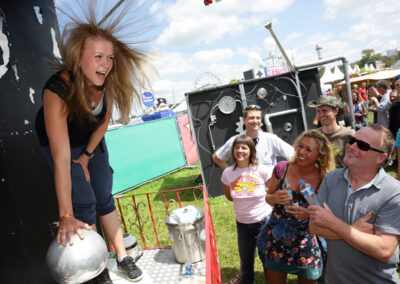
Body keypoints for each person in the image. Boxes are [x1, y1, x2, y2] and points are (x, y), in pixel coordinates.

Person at [34, 2, 153, 283]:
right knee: (83, 204)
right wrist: (65, 214)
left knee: (103, 197)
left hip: (89, 141)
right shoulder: (57, 91)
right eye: (98, 56)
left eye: (110, 57)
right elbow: (62, 159)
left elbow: (102, 124)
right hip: (60, 142)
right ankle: (96, 269)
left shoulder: (108, 83)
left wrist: (87, 156)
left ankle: (123, 257)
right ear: (78, 59)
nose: (107, 64)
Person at [309, 124, 400, 283]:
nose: (351, 147)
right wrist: (352, 230)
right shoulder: (332, 179)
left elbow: (384, 250)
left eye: (362, 146)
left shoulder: (394, 192)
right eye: (351, 140)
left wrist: (333, 223)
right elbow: (314, 226)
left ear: (380, 158)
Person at [261, 130, 335, 284]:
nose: (301, 151)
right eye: (300, 146)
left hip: (305, 239)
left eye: (309, 150)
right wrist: (274, 198)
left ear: (319, 156)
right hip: (277, 237)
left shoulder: (323, 177)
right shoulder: (282, 168)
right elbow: (268, 197)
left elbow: (328, 211)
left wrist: (309, 213)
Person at [221, 135, 272, 284]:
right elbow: (230, 197)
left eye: (244, 147)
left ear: (251, 151)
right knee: (246, 262)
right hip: (242, 224)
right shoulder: (227, 173)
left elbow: (273, 191)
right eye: (237, 147)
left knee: (267, 259)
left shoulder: (261, 170)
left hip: (263, 221)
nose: (240, 150)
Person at [213, 105, 294, 174]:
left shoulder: (271, 139)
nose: (255, 121)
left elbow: (293, 154)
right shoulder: (234, 141)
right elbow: (217, 157)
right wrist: (232, 174)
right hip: (247, 189)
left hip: (269, 189)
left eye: (258, 118)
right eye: (251, 118)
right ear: (244, 120)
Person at [308, 96, 355, 168]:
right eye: (318, 111)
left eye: (325, 111)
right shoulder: (313, 136)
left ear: (335, 111)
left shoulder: (349, 135)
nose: (321, 115)